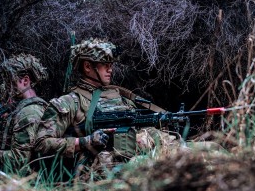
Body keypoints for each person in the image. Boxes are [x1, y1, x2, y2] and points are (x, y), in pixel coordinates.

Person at [34, 38, 181, 181]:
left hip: (133, 161)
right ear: (87, 66)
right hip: (97, 173)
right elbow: (42, 143)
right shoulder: (69, 102)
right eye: (105, 65)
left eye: (111, 64)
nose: (110, 69)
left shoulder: (120, 97)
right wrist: (86, 141)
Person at [0, 53, 48, 176]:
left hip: (19, 182)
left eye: (10, 82)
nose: (6, 87)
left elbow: (20, 159)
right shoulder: (19, 108)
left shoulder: (29, 112)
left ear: (25, 81)